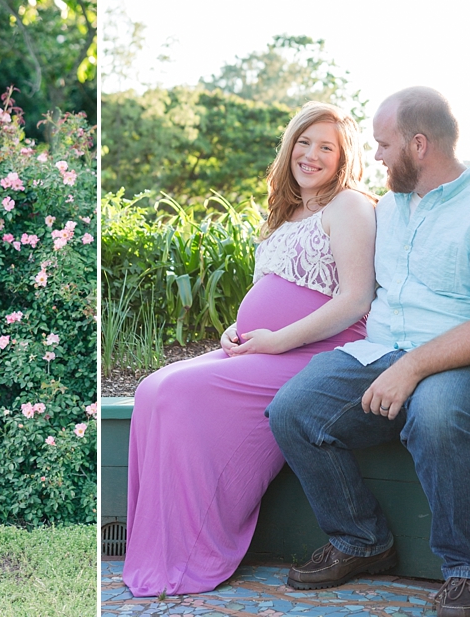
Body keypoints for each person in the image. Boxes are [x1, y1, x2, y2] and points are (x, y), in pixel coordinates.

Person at [268, 87, 470, 617]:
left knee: (435, 411)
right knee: (294, 410)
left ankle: (468, 572)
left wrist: (414, 367)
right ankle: (361, 540)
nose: (374, 158)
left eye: (383, 145)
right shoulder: (389, 210)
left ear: (419, 145)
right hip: (385, 351)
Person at [122, 102, 377, 597]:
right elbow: (277, 287)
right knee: (152, 389)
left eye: (327, 147)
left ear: (344, 158)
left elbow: (354, 299)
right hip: (264, 348)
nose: (311, 154)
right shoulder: (286, 212)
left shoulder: (349, 205)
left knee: (178, 395)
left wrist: (278, 339)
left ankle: (190, 553)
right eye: (304, 142)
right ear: (289, 147)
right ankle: (157, 545)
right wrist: (235, 328)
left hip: (317, 354)